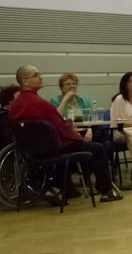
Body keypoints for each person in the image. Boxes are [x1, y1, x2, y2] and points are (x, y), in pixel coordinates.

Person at [8, 65, 122, 202]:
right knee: (98, 149)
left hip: (31, 151)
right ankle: (106, 191)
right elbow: (60, 126)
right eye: (36, 75)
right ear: (25, 81)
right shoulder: (41, 104)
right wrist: (76, 137)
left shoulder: (15, 105)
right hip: (53, 148)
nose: (41, 77)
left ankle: (57, 189)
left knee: (74, 150)